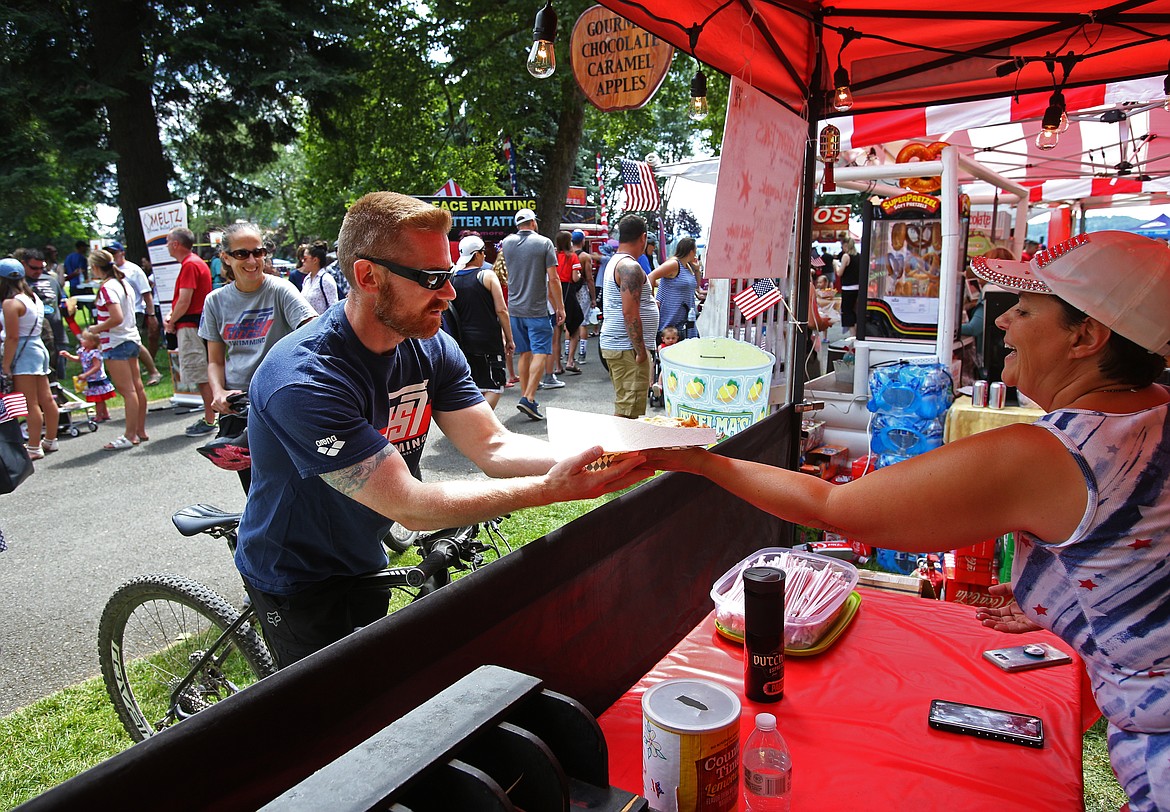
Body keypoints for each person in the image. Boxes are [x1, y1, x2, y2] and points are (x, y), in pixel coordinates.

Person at [646, 230, 1170, 812]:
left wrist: (698, 461)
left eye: (1023, 310)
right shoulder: (1153, 413)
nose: (1001, 324)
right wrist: (1073, 604)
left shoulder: (1056, 453)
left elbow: (834, 507)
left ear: (1088, 337)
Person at [232, 191, 647, 668]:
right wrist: (550, 490)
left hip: (363, 552)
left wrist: (610, 454)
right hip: (294, 574)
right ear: (368, 276)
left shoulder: (430, 346)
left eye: (448, 275)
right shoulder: (303, 379)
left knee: (375, 685)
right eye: (432, 278)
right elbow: (411, 506)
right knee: (331, 723)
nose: (449, 293)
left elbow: (494, 444)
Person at [199, 222, 317, 491]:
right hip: (238, 403)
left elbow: (313, 331)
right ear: (225, 258)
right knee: (257, 489)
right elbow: (215, 359)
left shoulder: (280, 289)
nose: (252, 260)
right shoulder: (215, 301)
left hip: (278, 397)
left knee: (297, 486)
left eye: (259, 252)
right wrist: (218, 393)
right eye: (242, 254)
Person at [501, 207, 563, 421]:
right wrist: (560, 307)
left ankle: (526, 398)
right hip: (537, 308)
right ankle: (528, 398)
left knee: (525, 353)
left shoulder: (507, 243)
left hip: (515, 308)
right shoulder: (544, 243)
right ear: (533, 223)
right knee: (541, 352)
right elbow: (553, 279)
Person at [600, 214, 659, 418]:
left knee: (627, 408)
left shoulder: (617, 262)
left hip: (621, 345)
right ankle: (615, 450)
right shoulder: (629, 267)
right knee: (627, 413)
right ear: (643, 238)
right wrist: (641, 350)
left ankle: (620, 449)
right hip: (627, 347)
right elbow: (629, 312)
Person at [444, 235, 513, 409]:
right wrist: (510, 338)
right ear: (476, 254)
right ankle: (479, 426)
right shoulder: (487, 275)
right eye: (482, 252)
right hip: (488, 341)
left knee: (474, 386)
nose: (484, 256)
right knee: (495, 387)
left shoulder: (452, 278)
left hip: (461, 342)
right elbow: (502, 310)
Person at [0, 258, 59, 460]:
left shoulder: (10, 303)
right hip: (37, 347)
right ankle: (50, 439)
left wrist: (6, 365)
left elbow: (12, 336)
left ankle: (33, 446)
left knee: (29, 402)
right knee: (46, 397)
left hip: (24, 352)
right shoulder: (32, 297)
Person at [88, 249, 147, 449]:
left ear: (96, 267)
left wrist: (94, 328)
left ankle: (130, 435)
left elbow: (116, 317)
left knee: (128, 390)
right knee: (137, 387)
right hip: (130, 338)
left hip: (116, 341)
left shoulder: (107, 287)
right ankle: (139, 430)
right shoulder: (123, 283)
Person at [163, 227, 216, 437]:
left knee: (201, 375)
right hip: (194, 326)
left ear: (176, 244)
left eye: (168, 241)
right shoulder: (193, 263)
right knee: (203, 374)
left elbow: (185, 300)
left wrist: (171, 321)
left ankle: (211, 419)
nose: (166, 245)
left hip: (191, 328)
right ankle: (212, 416)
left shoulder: (190, 265)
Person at [108, 241, 163, 386]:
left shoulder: (133, 270)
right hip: (117, 312)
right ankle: (131, 373)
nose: (112, 256)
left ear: (122, 253)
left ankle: (152, 371)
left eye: (114, 253)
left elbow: (146, 293)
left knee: (133, 342)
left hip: (135, 311)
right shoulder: (109, 272)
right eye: (109, 253)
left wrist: (151, 315)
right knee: (126, 342)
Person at [16, 248, 67, 381]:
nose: (38, 271)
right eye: (33, 268)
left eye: (41, 268)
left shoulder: (51, 280)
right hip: (33, 339)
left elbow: (62, 301)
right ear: (23, 264)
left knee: (56, 378)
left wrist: (67, 306)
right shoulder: (18, 284)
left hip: (57, 335)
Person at [648, 237, 701, 339]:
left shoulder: (687, 266)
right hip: (670, 316)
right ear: (691, 251)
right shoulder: (674, 264)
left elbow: (696, 285)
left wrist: (697, 270)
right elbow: (651, 276)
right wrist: (652, 299)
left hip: (685, 318)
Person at [58, 329, 116, 422]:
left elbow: (97, 366)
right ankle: (105, 413)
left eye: (84, 339)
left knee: (98, 399)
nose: (81, 340)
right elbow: (79, 359)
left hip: (97, 379)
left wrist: (86, 374)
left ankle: (99, 416)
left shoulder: (95, 353)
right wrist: (68, 356)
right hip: (90, 379)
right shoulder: (83, 351)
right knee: (99, 398)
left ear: (92, 342)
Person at [552, 230, 584, 376]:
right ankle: (571, 360)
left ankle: (558, 366)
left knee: (557, 330)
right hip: (568, 292)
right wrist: (578, 274)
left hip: (553, 292)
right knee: (575, 325)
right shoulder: (572, 257)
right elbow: (575, 278)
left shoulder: (552, 255)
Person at [570, 230, 596, 361]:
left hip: (569, 291)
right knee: (582, 322)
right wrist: (593, 297)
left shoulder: (565, 255)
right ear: (582, 241)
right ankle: (582, 354)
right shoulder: (585, 257)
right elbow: (589, 278)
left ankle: (568, 353)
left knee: (569, 323)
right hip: (582, 290)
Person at [298, 239, 338, 315]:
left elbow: (333, 308)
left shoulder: (326, 279)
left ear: (315, 260)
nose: (302, 261)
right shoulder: (307, 279)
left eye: (305, 258)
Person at [837, 235, 860, 335]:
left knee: (847, 312)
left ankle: (852, 335)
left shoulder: (846, 256)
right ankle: (857, 334)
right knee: (855, 311)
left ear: (845, 245)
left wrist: (836, 266)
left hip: (848, 288)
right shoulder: (859, 256)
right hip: (858, 287)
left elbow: (839, 273)